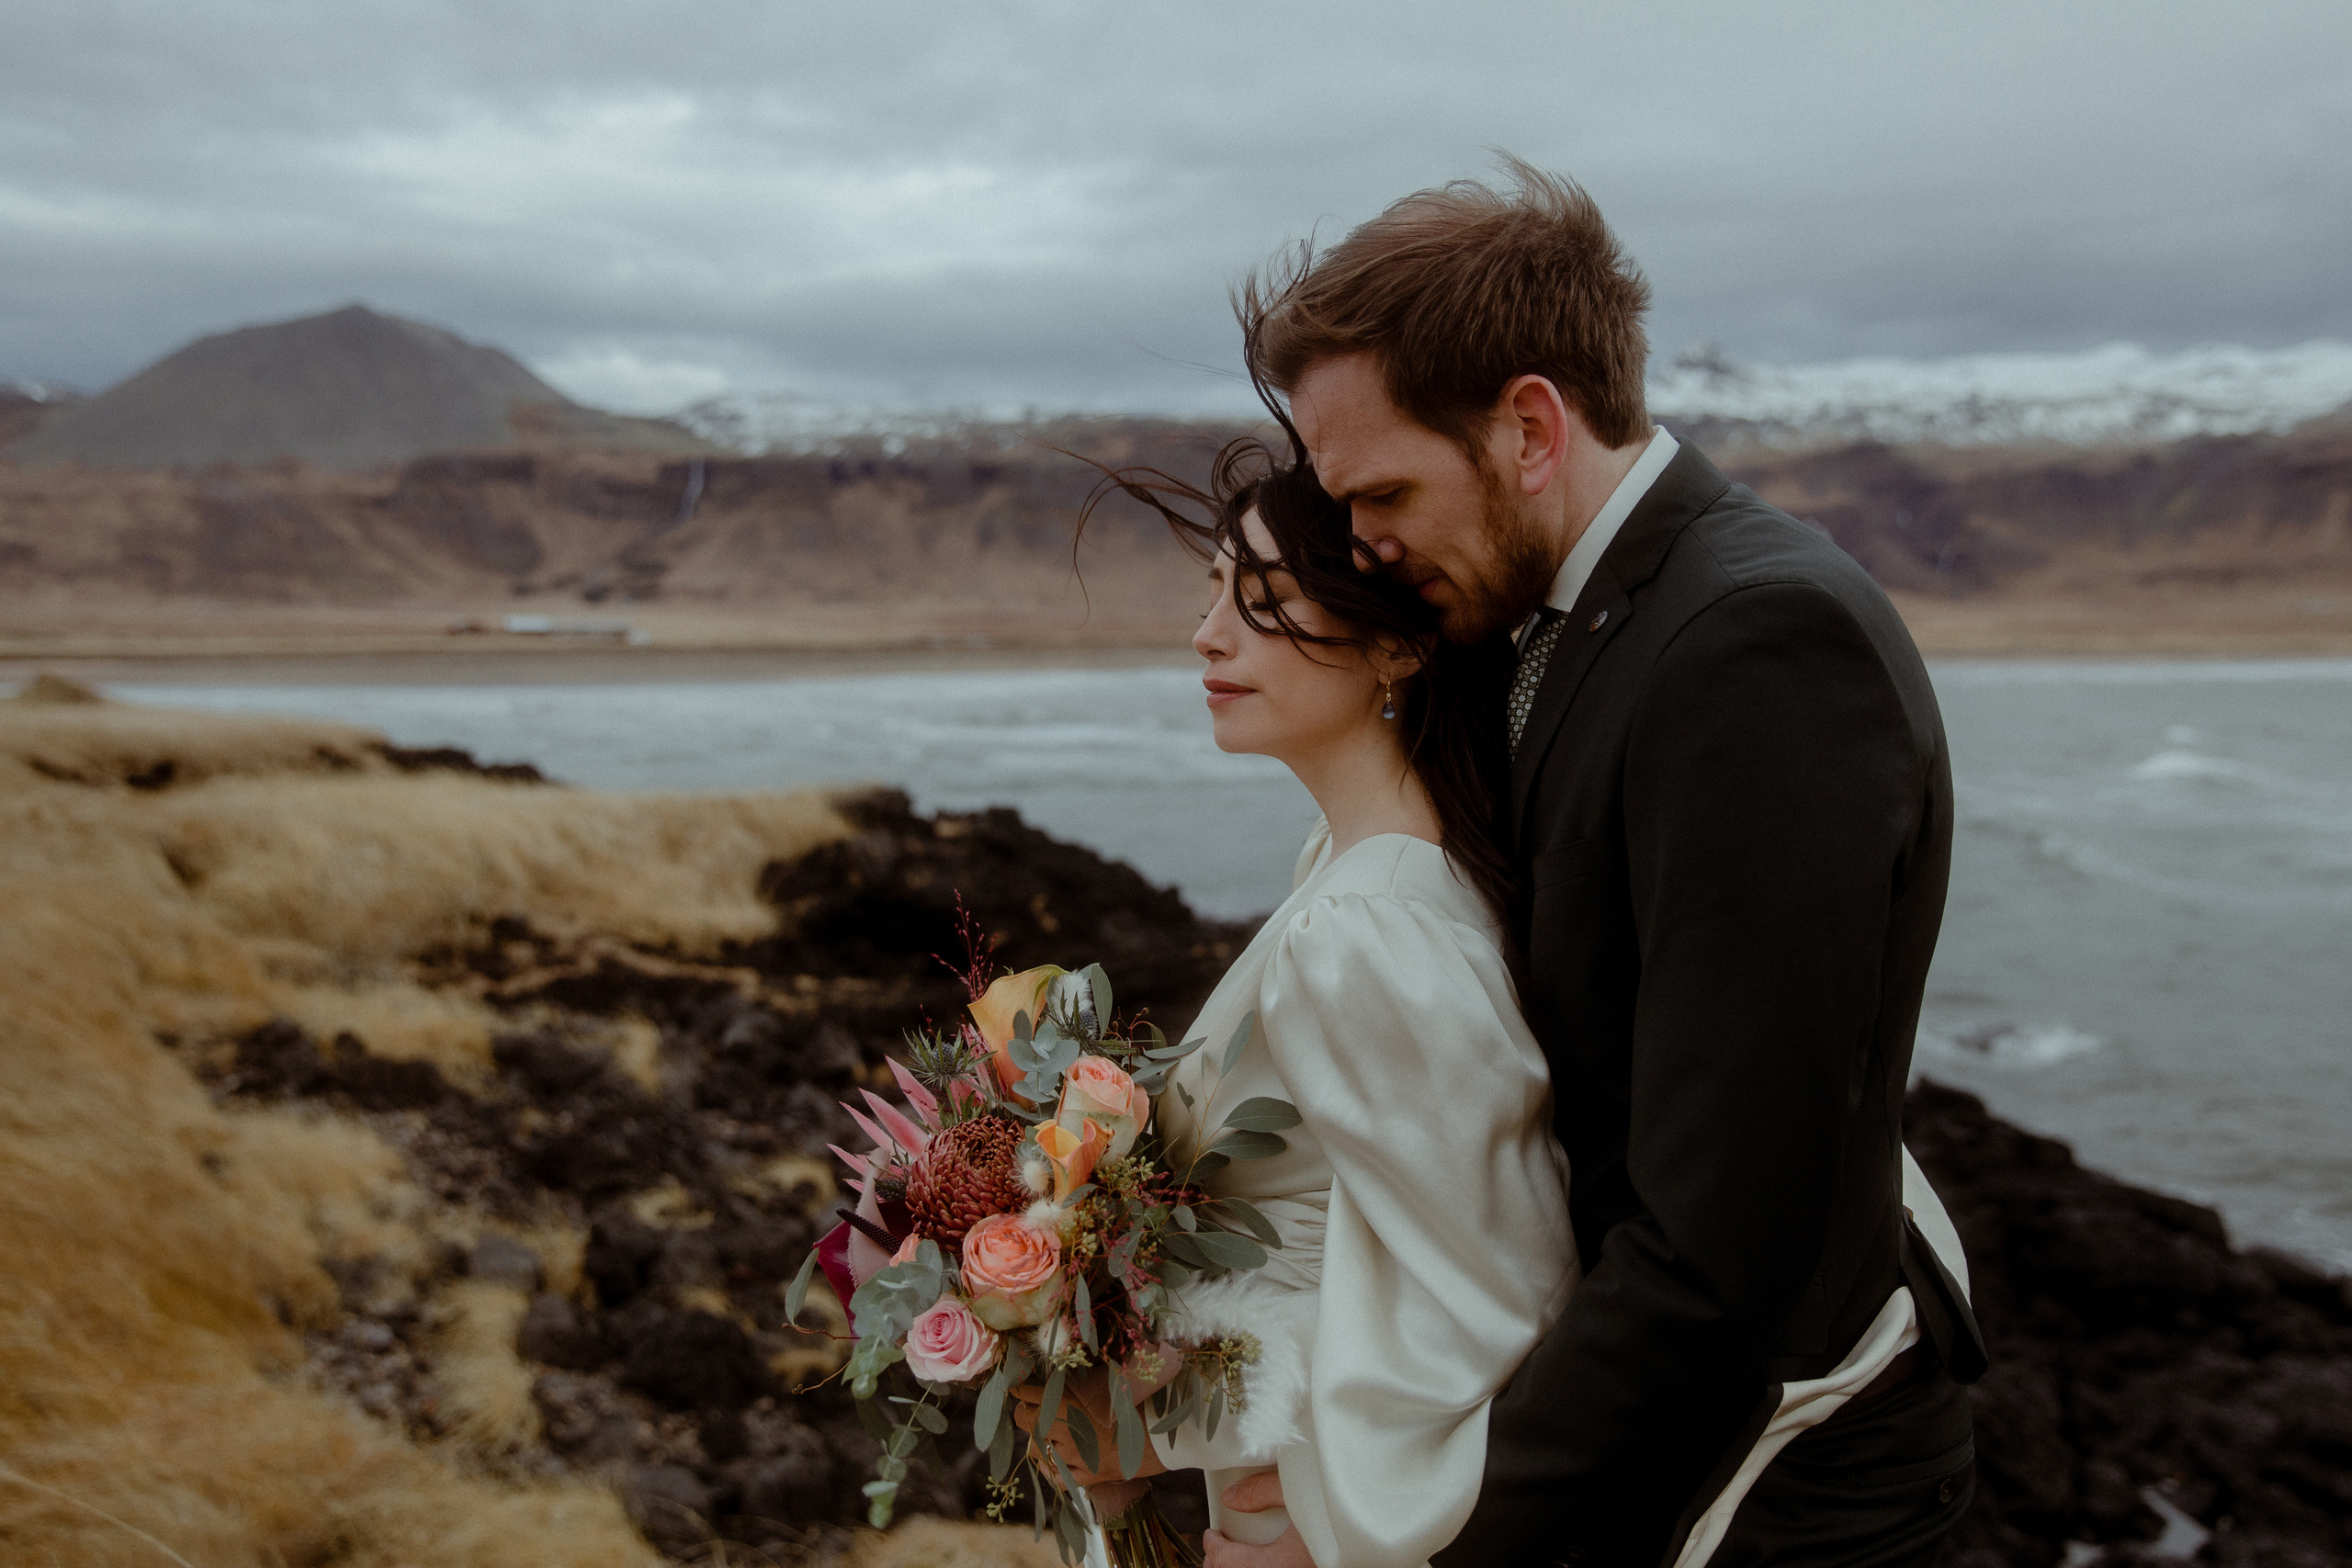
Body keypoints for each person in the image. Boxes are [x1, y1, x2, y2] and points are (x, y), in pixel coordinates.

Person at [1193, 158, 1988, 1568]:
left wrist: (1425, 1550)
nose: (1363, 542)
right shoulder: (1540, 615)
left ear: (1532, 427)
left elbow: (1719, 1243)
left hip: (1783, 1491)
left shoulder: (1758, 648)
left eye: (1383, 489)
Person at [1024, 420, 1582, 1568]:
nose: (1207, 635)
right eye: (1215, 591)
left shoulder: (1363, 930)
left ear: (1398, 649)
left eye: (1262, 597)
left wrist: (1330, 1535)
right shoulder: (1336, 866)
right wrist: (1145, 1412)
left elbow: (1502, 1300)